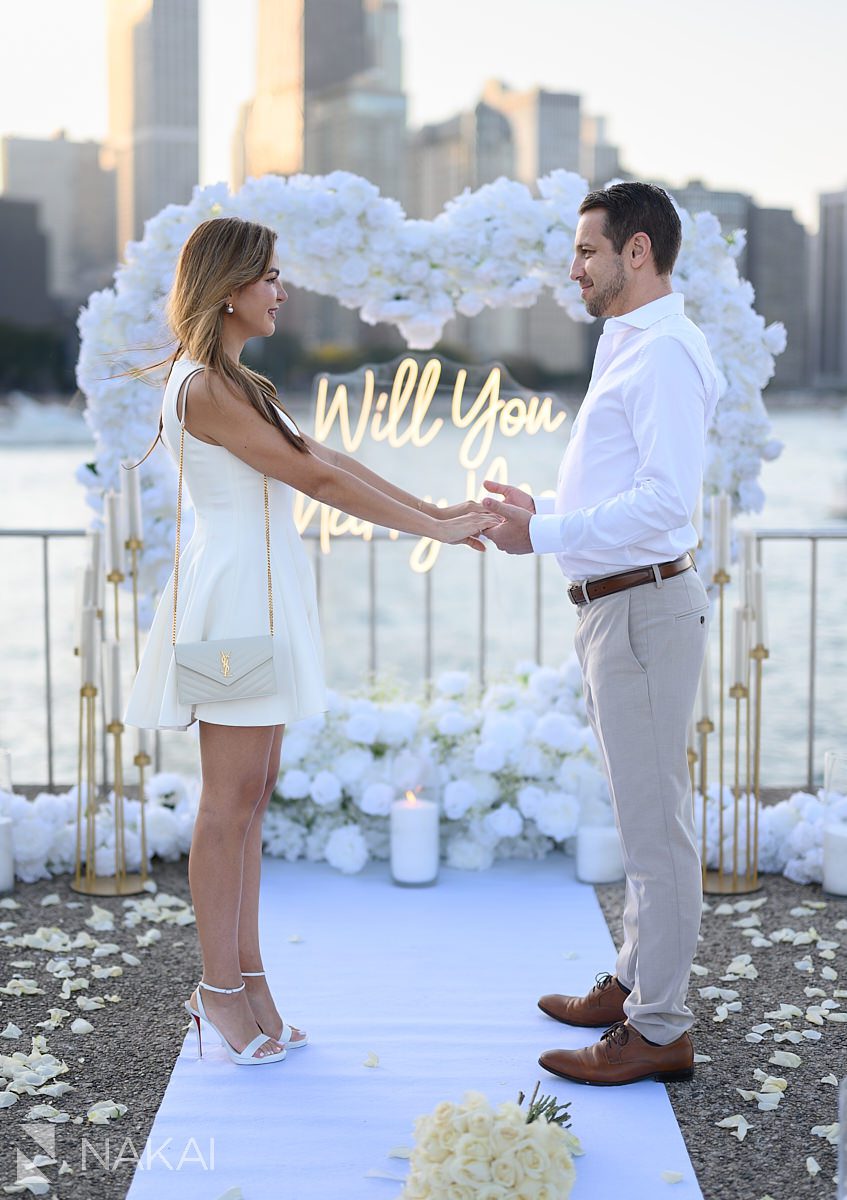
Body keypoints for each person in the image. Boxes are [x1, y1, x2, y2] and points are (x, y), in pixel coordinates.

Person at [125, 216, 500, 1066]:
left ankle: (247, 978)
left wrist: (432, 510)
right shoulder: (203, 387)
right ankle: (218, 988)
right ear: (229, 291)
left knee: (253, 798)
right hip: (229, 609)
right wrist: (428, 534)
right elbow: (316, 478)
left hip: (258, 598)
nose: (281, 291)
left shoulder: (237, 382)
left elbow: (322, 453)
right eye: (269, 278)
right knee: (227, 805)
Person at [482, 182, 719, 1085]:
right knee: (639, 818)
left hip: (643, 609)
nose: (572, 266)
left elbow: (665, 504)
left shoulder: (661, 353)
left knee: (655, 830)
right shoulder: (632, 344)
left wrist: (539, 535)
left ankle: (658, 1029)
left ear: (636, 252)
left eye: (587, 250)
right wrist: (546, 509)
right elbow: (626, 489)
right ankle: (630, 985)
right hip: (621, 606)